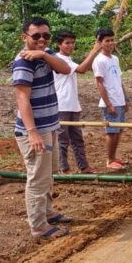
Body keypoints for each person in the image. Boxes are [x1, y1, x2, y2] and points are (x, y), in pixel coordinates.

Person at [12, 17, 74, 240]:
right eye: (36, 35)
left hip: (49, 127)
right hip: (35, 131)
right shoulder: (23, 63)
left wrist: (44, 54)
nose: (41, 39)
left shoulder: (44, 57)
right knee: (37, 178)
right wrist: (32, 132)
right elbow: (22, 99)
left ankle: (47, 213)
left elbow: (66, 69)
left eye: (46, 36)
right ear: (24, 37)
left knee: (48, 174)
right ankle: (38, 226)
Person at [53, 30, 100, 174]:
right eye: (67, 43)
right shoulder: (57, 59)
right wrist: (94, 51)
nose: (70, 46)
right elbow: (82, 69)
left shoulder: (68, 59)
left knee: (77, 138)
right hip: (62, 105)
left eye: (72, 43)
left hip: (72, 105)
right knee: (62, 139)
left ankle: (83, 166)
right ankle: (64, 168)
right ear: (59, 44)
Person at [92, 28, 129, 170]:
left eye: (112, 40)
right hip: (110, 102)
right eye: (107, 40)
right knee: (111, 132)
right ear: (99, 43)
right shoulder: (99, 61)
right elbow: (99, 83)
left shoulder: (115, 59)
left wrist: (126, 99)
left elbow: (119, 80)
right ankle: (109, 159)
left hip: (119, 100)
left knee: (119, 131)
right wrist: (109, 104)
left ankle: (114, 157)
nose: (110, 43)